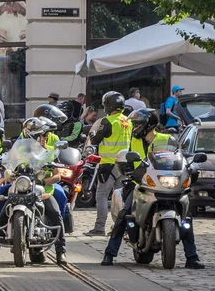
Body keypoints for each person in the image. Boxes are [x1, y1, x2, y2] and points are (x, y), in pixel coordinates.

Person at [101, 108, 204, 269]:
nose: (134, 128)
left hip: (164, 184)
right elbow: (128, 159)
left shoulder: (167, 139)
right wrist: (127, 168)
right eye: (134, 125)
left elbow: (178, 157)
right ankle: (110, 254)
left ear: (148, 125)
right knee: (125, 213)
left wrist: (189, 167)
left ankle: (192, 257)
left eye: (137, 124)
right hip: (139, 184)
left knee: (186, 219)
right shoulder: (133, 142)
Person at [0, 117, 68, 265]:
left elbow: (57, 175)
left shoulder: (49, 153)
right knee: (1, 217)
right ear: (35, 137)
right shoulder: (19, 151)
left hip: (43, 193)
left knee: (56, 215)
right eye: (43, 135)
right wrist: (7, 171)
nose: (46, 138)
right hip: (20, 191)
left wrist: (44, 180)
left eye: (45, 135)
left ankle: (61, 252)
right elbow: (8, 163)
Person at [85, 91, 132, 237]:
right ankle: (119, 228)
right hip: (124, 165)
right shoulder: (129, 121)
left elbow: (95, 140)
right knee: (119, 198)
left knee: (102, 196)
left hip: (108, 164)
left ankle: (99, 227)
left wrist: (92, 138)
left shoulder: (107, 121)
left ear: (108, 105)